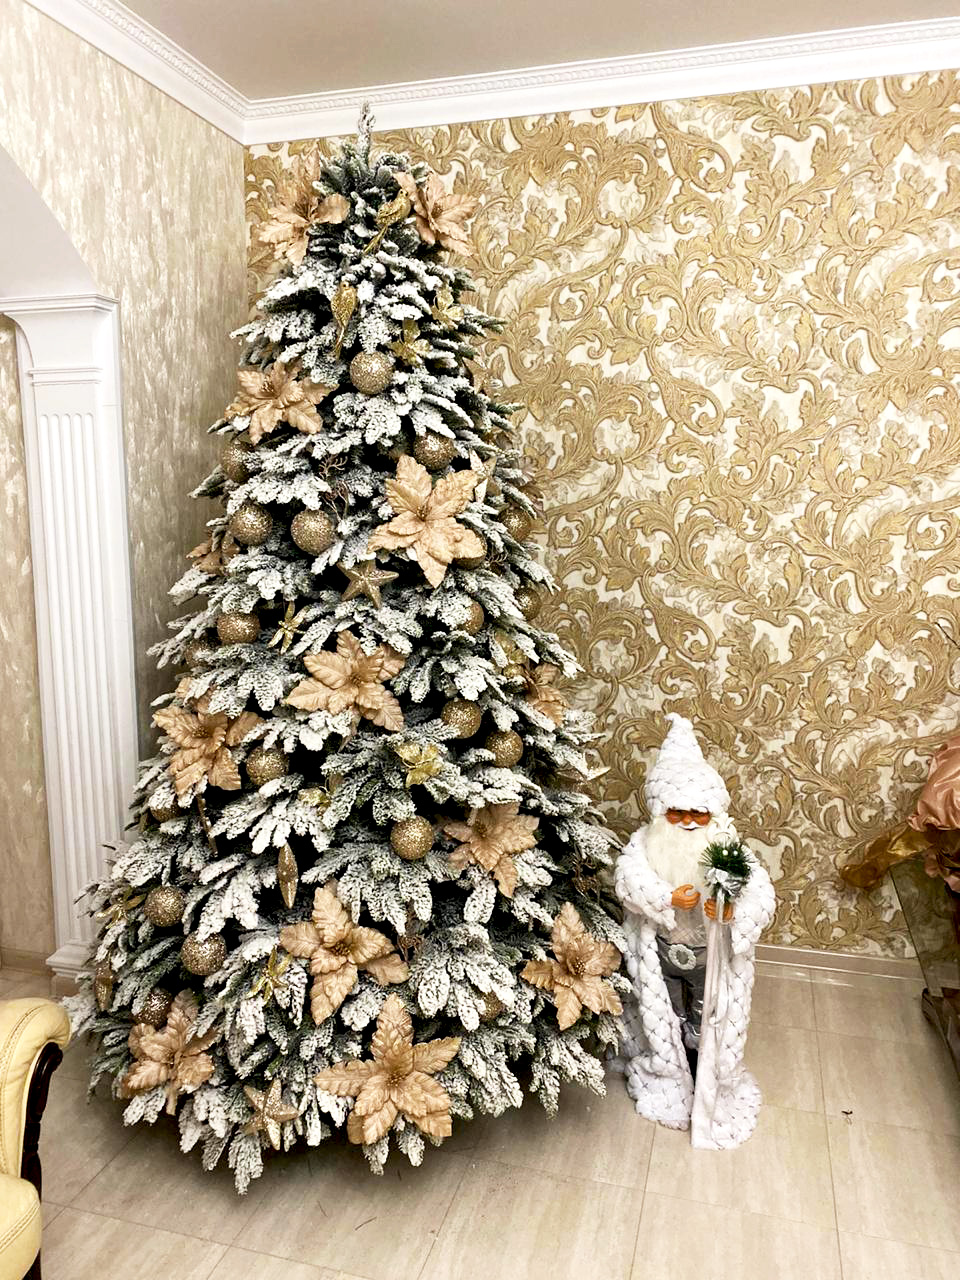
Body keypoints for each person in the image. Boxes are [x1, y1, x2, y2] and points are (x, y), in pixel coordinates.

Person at [615, 713, 775, 1148]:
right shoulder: (644, 844)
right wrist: (667, 897)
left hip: (709, 955)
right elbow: (628, 879)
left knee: (708, 1011)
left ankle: (701, 1058)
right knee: (664, 1008)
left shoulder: (728, 847)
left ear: (713, 813)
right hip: (661, 949)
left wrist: (729, 910)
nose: (687, 821)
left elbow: (759, 892)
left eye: (698, 814)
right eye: (677, 812)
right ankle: (669, 1065)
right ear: (660, 812)